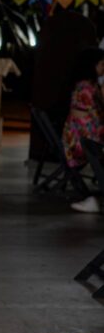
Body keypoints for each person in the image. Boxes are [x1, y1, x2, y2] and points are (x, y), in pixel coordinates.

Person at [64, 47, 104, 213]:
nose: (103, 68)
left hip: (82, 137)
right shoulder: (86, 88)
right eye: (102, 64)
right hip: (80, 142)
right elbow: (94, 118)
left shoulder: (87, 85)